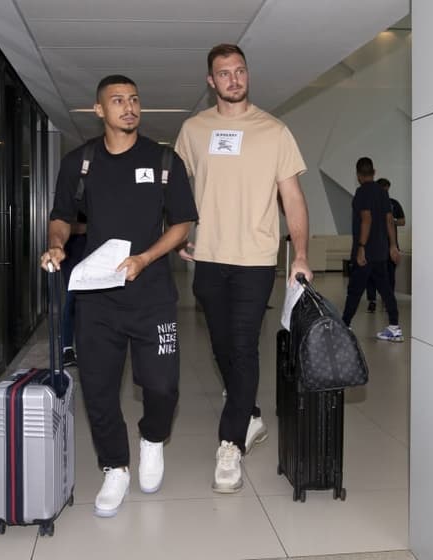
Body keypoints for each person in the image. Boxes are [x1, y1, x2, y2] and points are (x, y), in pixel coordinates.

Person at [41, 75, 198, 518]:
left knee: (163, 384)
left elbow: (182, 223)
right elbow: (61, 216)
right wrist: (56, 243)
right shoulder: (80, 162)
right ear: (99, 110)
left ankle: (152, 439)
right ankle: (115, 467)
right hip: (97, 297)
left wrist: (146, 259)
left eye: (134, 99)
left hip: (152, 294)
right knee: (98, 388)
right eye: (117, 101)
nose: (128, 107)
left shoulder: (165, 160)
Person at [174, 43, 311, 494]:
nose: (234, 79)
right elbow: (177, 190)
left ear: (247, 75)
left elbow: (293, 199)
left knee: (244, 345)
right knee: (220, 347)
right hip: (210, 257)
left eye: (240, 71)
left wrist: (302, 256)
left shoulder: (274, 131)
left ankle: (230, 444)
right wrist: (177, 235)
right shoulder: (194, 130)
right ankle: (249, 415)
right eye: (224, 73)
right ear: (210, 82)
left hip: (255, 259)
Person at [340, 157, 403, 341]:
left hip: (365, 254)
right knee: (386, 289)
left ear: (358, 175)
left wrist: (361, 247)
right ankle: (394, 327)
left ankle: (344, 325)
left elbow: (366, 219)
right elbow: (389, 220)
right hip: (381, 252)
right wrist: (392, 246)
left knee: (355, 290)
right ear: (374, 172)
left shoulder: (361, 193)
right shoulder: (383, 193)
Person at [365, 178, 405, 313]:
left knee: (390, 274)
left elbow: (402, 221)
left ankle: (388, 300)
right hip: (374, 245)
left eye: (387, 190)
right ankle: (372, 300)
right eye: (383, 190)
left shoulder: (394, 204)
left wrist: (390, 221)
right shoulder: (370, 203)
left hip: (391, 245)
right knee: (371, 274)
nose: (386, 193)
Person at [60, 214, 86, 367]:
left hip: (90, 250)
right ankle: (67, 349)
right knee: (72, 298)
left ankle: (86, 345)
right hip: (72, 252)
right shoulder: (72, 196)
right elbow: (64, 226)